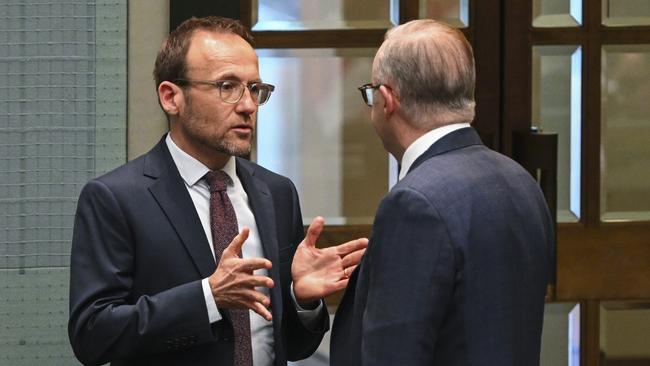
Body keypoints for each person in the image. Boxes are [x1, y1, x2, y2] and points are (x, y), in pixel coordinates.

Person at [68, 16, 367, 366]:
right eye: (227, 86)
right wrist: (207, 297)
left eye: (255, 89)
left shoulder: (277, 192)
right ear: (171, 98)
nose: (248, 106)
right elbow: (92, 335)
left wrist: (301, 300)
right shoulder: (115, 198)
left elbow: (293, 347)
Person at [330, 19, 554, 365]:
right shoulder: (521, 181)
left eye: (370, 92)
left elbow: (393, 353)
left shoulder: (413, 203)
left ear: (387, 99)